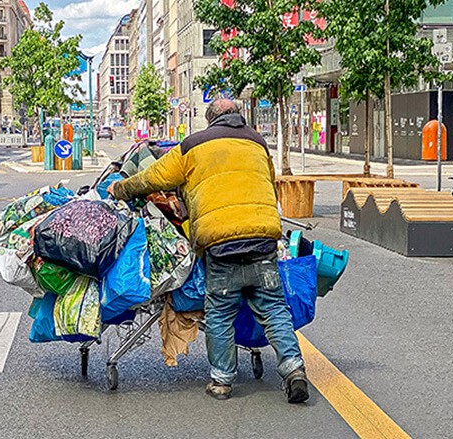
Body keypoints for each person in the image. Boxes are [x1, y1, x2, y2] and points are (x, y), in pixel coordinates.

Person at [107, 99, 309, 404]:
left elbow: (153, 177)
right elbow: (268, 182)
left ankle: (221, 381)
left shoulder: (194, 145)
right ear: (237, 116)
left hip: (221, 243)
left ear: (210, 119)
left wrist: (119, 189)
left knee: (220, 312)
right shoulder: (257, 142)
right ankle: (294, 370)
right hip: (264, 237)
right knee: (273, 308)